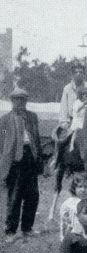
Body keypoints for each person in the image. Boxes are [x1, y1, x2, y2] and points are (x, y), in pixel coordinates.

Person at [0, 86, 43, 243]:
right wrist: (5, 159)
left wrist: (39, 160)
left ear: (26, 101)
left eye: (23, 100)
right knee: (15, 196)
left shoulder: (32, 117)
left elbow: (36, 138)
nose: (20, 103)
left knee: (33, 195)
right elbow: (1, 140)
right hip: (15, 161)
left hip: (30, 158)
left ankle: (27, 228)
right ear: (12, 101)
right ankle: (10, 231)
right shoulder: (4, 120)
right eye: (17, 100)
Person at [51, 61, 87, 167]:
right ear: (72, 74)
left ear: (84, 74)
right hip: (72, 120)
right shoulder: (67, 88)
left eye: (81, 72)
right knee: (60, 138)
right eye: (76, 72)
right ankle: (57, 160)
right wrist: (65, 123)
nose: (79, 74)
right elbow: (64, 107)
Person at [59, 172, 87, 241]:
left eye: (86, 187)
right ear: (74, 188)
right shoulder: (68, 204)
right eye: (80, 186)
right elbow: (64, 223)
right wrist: (64, 238)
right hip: (74, 238)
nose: (83, 190)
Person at [69, 86, 87, 151]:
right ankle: (72, 144)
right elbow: (77, 109)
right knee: (76, 131)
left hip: (84, 121)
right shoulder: (77, 102)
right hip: (77, 121)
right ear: (81, 96)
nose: (86, 97)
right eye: (85, 95)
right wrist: (84, 103)